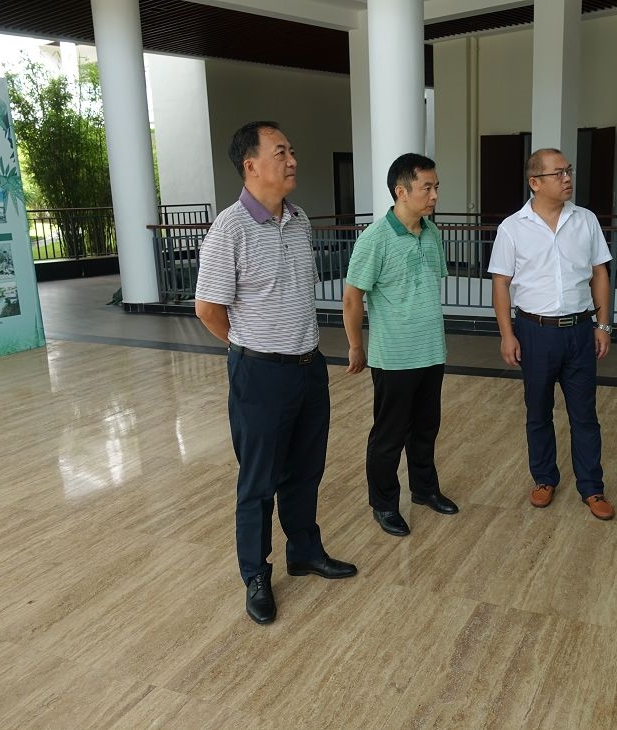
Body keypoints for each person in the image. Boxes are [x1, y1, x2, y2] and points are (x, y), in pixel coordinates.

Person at [195, 121, 356, 625]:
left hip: (309, 367)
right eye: (281, 152)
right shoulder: (229, 229)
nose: (292, 161)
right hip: (260, 374)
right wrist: (249, 347)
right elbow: (207, 308)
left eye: (291, 151)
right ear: (251, 165)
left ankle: (304, 551)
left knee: (305, 470)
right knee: (259, 481)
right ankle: (256, 575)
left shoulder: (299, 219)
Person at [488, 148, 616, 520]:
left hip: (580, 331)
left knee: (585, 415)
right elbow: (501, 284)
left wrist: (603, 325)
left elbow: (600, 274)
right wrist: (507, 334)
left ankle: (592, 487)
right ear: (535, 182)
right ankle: (544, 479)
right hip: (534, 332)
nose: (567, 178)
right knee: (539, 412)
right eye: (558, 173)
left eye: (568, 171)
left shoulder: (585, 220)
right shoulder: (512, 227)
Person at [342, 153, 458, 537]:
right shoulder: (374, 239)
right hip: (393, 356)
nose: (435, 195)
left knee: (426, 428)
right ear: (401, 191)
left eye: (436, 187)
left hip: (431, 351)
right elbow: (352, 298)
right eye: (427, 188)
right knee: (389, 436)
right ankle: (384, 504)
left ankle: (424, 490)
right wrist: (356, 346)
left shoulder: (432, 232)